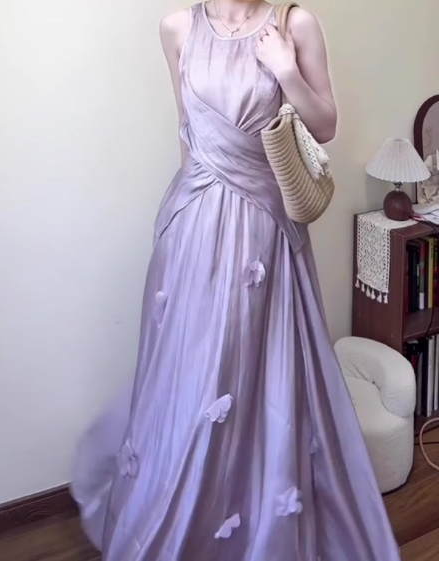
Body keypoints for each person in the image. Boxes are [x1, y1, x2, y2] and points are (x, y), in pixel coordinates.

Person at [71, 2, 402, 560]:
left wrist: (286, 70)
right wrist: (178, 224)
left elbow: (325, 126)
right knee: (190, 376)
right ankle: (186, 522)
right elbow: (187, 131)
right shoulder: (176, 26)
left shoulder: (293, 22)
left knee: (255, 374)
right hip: (193, 232)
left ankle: (255, 527)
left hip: (263, 234)